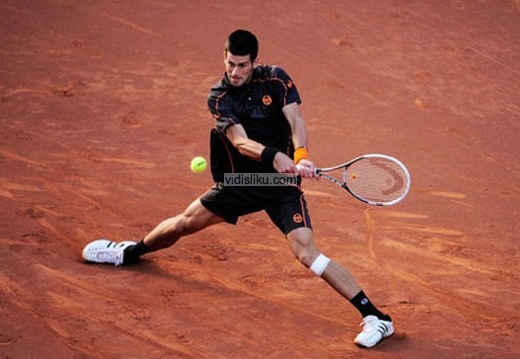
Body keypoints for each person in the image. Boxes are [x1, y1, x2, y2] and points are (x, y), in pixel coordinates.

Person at [82, 29, 394, 348]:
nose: (235, 71)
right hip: (242, 182)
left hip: (279, 185)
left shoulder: (276, 79)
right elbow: (240, 142)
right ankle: (129, 253)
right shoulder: (219, 97)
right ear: (224, 57)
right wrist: (275, 156)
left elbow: (296, 119)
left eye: (242, 65)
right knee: (185, 223)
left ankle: (376, 318)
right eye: (231, 63)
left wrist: (300, 155)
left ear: (254, 63)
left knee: (306, 252)